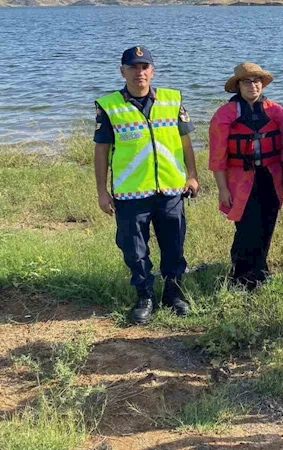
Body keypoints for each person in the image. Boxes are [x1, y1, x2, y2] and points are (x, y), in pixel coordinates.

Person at [93, 46, 199, 324]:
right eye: (133, 67)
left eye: (144, 66)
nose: (139, 72)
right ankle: (145, 296)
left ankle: (174, 294)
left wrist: (192, 175)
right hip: (131, 192)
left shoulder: (172, 99)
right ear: (122, 71)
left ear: (152, 70)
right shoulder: (109, 105)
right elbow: (101, 150)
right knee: (134, 249)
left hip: (171, 189)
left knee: (174, 245)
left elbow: (186, 142)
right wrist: (102, 191)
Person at [208, 62, 283, 289]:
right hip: (240, 179)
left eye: (256, 81)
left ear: (262, 84)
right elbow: (217, 157)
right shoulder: (225, 114)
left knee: (267, 224)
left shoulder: (276, 111)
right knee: (246, 228)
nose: (252, 85)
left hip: (271, 177)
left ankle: (260, 271)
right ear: (238, 86)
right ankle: (240, 277)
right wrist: (222, 189)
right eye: (246, 81)